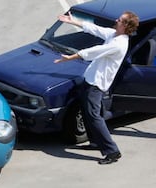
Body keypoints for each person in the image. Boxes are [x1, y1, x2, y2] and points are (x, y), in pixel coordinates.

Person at [54, 11, 139, 164]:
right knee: (90, 113)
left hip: (96, 84)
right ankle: (94, 142)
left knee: (94, 116)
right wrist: (72, 21)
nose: (116, 20)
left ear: (125, 25)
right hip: (90, 80)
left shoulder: (118, 44)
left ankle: (112, 151)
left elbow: (94, 51)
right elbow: (95, 28)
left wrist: (71, 57)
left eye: (119, 20)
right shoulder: (114, 34)